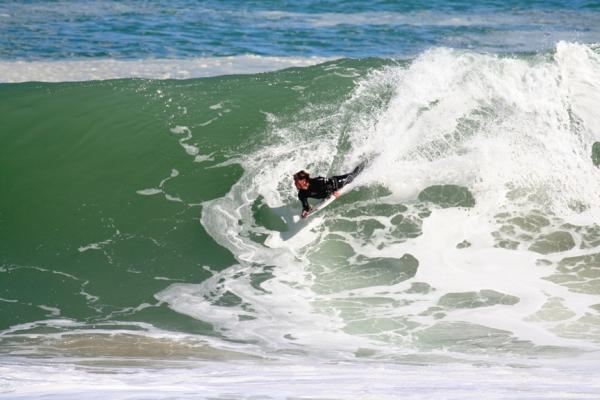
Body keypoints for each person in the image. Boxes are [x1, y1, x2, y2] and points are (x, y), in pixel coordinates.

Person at [293, 162, 365, 218]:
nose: (295, 183)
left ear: (304, 180)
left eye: (296, 180)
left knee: (353, 176)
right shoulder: (301, 194)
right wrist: (305, 211)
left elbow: (331, 182)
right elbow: (305, 205)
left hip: (337, 183)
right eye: (294, 180)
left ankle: (365, 163)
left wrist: (334, 192)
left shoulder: (317, 181)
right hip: (327, 194)